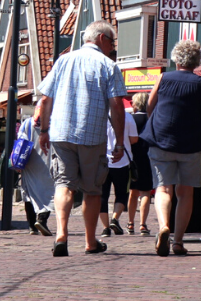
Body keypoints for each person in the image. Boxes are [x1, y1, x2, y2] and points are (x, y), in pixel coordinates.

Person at [38, 20, 127, 257]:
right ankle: (90, 241)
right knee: (92, 190)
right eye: (112, 42)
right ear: (101, 39)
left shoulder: (63, 60)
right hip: (92, 135)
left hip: (61, 133)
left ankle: (61, 234)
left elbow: (46, 99)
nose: (113, 47)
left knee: (63, 184)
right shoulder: (108, 65)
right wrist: (119, 141)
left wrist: (44, 131)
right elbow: (117, 105)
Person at [140, 40, 201, 257]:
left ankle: (164, 226)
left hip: (161, 141)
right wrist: (196, 128)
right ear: (197, 61)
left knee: (163, 189)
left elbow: (150, 106)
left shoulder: (163, 78)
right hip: (191, 145)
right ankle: (178, 241)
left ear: (176, 59)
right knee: (186, 193)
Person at [99, 103, 138, 236]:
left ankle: (105, 228)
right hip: (122, 161)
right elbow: (134, 139)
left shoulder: (100, 117)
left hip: (103, 161)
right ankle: (115, 218)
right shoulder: (127, 117)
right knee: (122, 193)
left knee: (102, 195)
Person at [19, 98, 54, 236]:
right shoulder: (54, 124)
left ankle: (31, 226)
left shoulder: (27, 124)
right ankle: (42, 219)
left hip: (30, 164)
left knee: (29, 193)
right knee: (49, 192)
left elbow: (20, 142)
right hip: (49, 163)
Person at [126, 92, 154, 236]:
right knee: (145, 193)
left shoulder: (130, 119)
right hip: (147, 159)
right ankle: (143, 224)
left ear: (135, 104)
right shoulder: (151, 119)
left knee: (132, 192)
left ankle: (130, 223)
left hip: (131, 158)